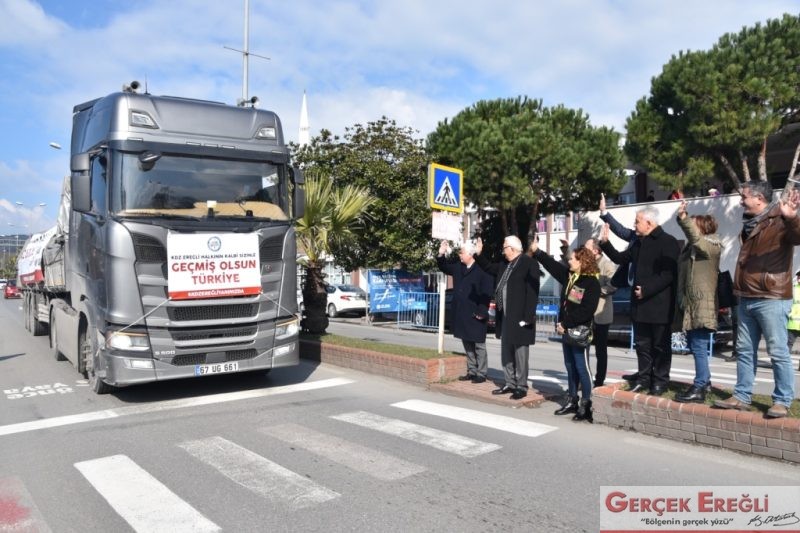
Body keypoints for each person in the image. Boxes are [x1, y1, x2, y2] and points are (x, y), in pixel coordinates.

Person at [714, 181, 800, 418]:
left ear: (759, 199)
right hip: (746, 295)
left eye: (744, 197)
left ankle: (782, 400)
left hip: (770, 296)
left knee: (778, 351)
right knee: (743, 349)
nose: (741, 201)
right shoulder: (751, 223)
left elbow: (797, 236)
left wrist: (792, 217)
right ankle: (741, 396)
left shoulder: (780, 219)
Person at [600, 206, 680, 396]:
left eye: (637, 221)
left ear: (649, 223)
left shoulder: (668, 242)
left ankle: (660, 381)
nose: (634, 225)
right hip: (640, 305)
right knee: (642, 345)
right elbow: (620, 258)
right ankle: (644, 378)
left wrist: (647, 289)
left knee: (660, 346)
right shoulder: (638, 243)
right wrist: (605, 243)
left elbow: (668, 274)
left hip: (660, 304)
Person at [530, 240, 600, 422]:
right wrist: (537, 252)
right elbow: (552, 266)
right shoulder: (570, 276)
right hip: (566, 330)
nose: (569, 261)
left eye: (573, 259)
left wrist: (565, 323)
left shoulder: (591, 282)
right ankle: (572, 400)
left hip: (579, 332)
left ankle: (586, 404)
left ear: (582, 262)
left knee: (582, 368)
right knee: (570, 367)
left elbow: (587, 310)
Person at [475, 236, 540, 400]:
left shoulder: (528, 263)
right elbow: (488, 267)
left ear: (512, 248)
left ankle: (521, 386)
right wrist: (478, 254)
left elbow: (533, 292)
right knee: (506, 353)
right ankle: (509, 383)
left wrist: (528, 317)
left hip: (521, 317)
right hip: (504, 316)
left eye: (504, 247)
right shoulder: (505, 264)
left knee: (520, 353)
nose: (503, 251)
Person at [672, 201, 722, 403]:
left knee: (699, 346)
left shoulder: (711, 246)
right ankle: (705, 381)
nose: (690, 229)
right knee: (695, 345)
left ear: (702, 228)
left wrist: (683, 218)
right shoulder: (691, 249)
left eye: (694, 225)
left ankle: (700, 386)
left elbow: (694, 238)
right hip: (691, 303)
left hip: (702, 304)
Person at [436, 240, 494, 384]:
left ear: (470, 254)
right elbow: (444, 266)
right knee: (467, 342)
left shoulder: (482, 269)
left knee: (479, 344)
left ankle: (481, 373)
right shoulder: (458, 267)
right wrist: (441, 253)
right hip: (461, 312)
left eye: (461, 252)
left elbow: (487, 291)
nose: (459, 255)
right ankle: (472, 371)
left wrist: (482, 310)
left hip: (476, 313)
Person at [584, 237, 617, 387]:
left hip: (601, 315)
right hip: (587, 314)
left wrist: (595, 292)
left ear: (596, 250)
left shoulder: (607, 265)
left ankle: (599, 381)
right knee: (583, 349)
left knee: (600, 351)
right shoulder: (587, 265)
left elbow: (613, 286)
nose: (584, 251)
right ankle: (584, 379)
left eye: (587, 248)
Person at [788, 270, 800, 372]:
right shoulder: (793, 288)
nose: (799, 278)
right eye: (798, 276)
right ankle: (784, 366)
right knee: (787, 345)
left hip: (793, 322)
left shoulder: (793, 288)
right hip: (792, 323)